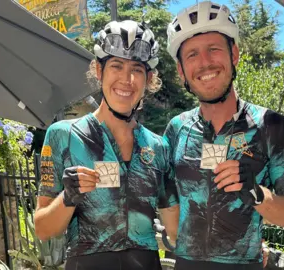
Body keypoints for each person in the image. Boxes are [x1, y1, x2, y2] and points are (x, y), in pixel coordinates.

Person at [163, 1, 284, 269]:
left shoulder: (272, 127)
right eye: (192, 54)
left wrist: (256, 192)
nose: (205, 63)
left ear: (234, 55)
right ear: (181, 70)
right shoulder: (176, 128)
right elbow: (164, 195)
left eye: (214, 49)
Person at [34, 20, 179, 270]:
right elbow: (43, 229)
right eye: (116, 66)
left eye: (137, 69)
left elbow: (178, 229)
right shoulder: (64, 135)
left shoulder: (158, 147)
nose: (126, 79)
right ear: (99, 71)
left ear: (149, 79)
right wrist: (68, 197)